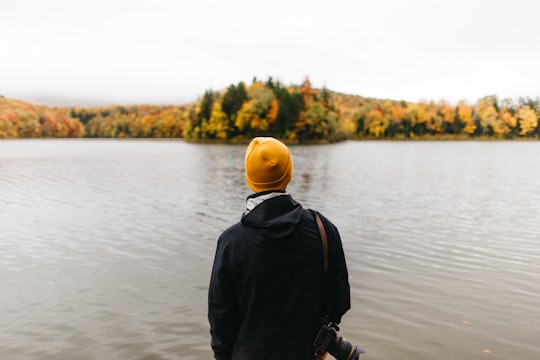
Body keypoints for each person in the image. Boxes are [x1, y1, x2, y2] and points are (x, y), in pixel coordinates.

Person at [208, 137, 351, 360]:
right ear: (289, 174)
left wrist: (224, 356)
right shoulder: (323, 229)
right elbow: (340, 300)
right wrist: (322, 340)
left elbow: (221, 318)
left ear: (249, 178)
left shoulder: (231, 242)